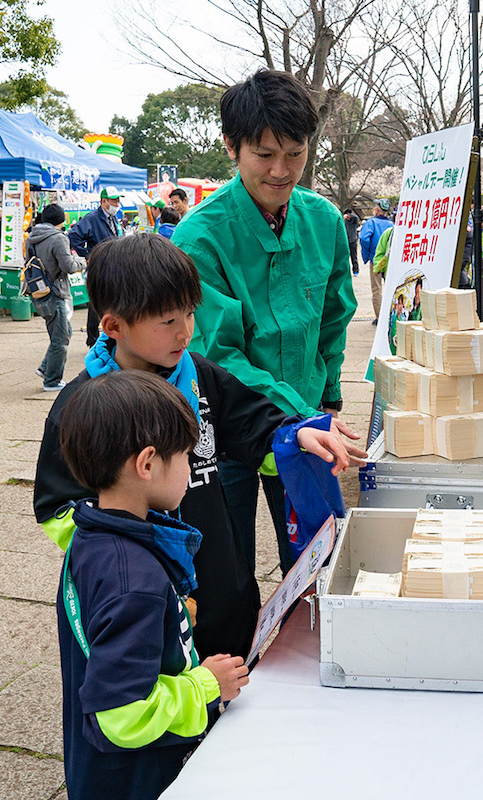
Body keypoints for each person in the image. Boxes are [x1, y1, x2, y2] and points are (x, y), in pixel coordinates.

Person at [33, 233, 365, 660]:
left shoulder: (196, 375)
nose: (186, 332)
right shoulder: (83, 409)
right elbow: (57, 506)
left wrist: (295, 434)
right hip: (148, 585)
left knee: (235, 667)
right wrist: (132, 545)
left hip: (220, 569)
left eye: (190, 314)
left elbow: (250, 421)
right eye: (167, 321)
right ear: (114, 326)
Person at [171, 69, 357, 575]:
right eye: (265, 154)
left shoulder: (323, 221)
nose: (281, 170)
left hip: (309, 418)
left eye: (295, 154)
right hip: (224, 426)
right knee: (226, 570)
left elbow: (334, 320)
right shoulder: (198, 239)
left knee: (317, 558)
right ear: (232, 146)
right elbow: (219, 354)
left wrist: (329, 399)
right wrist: (300, 416)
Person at [54, 369, 249, 800]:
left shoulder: (91, 535)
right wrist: (206, 685)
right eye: (185, 456)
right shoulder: (134, 582)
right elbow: (122, 715)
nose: (190, 468)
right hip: (137, 780)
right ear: (147, 464)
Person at [26, 203, 86, 392]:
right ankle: (52, 380)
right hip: (55, 292)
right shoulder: (58, 238)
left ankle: (46, 368)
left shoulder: (32, 237)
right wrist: (83, 262)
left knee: (63, 332)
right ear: (62, 220)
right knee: (61, 338)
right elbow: (68, 266)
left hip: (38, 291)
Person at [69, 186, 125, 346]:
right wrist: (89, 255)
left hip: (114, 264)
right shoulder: (92, 218)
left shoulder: (113, 218)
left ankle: (109, 336)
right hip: (100, 265)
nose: (117, 203)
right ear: (103, 202)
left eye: (118, 200)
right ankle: (92, 339)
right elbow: (74, 235)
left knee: (111, 300)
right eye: (113, 200)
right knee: (98, 302)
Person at [359, 199, 393, 322]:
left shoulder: (371, 222)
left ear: (377, 209)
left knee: (377, 289)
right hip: (389, 261)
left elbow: (364, 238)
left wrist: (367, 254)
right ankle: (391, 315)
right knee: (390, 287)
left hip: (376, 259)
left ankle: (380, 318)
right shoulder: (392, 224)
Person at [343, 207, 361, 276]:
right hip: (345, 240)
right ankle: (346, 271)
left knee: (354, 257)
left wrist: (349, 216)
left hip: (352, 240)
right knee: (345, 257)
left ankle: (355, 270)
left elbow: (355, 217)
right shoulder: (344, 221)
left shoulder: (354, 220)